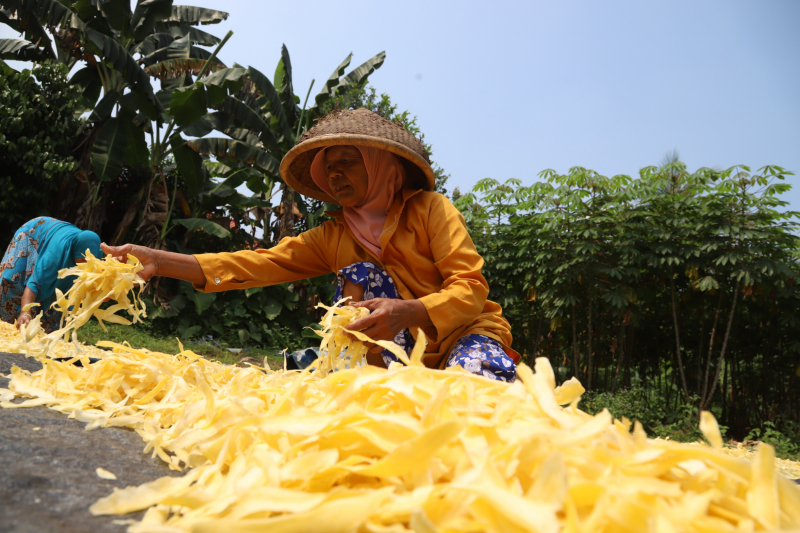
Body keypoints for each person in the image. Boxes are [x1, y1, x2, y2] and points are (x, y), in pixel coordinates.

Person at [103, 108, 519, 381]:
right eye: (329, 168)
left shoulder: (431, 210)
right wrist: (157, 259)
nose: (335, 176)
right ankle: (361, 379)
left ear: (381, 166)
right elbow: (255, 263)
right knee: (362, 276)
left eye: (347, 162)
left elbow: (470, 287)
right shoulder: (333, 235)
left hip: (464, 337)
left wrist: (411, 310)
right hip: (392, 361)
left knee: (480, 395)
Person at [1, 217, 103, 332]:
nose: (86, 264)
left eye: (89, 260)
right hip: (35, 233)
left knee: (62, 303)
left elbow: (98, 291)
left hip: (59, 236)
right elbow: (33, 285)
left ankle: (47, 332)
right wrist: (25, 312)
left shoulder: (96, 259)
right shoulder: (53, 258)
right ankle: (8, 325)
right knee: (11, 280)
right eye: (83, 259)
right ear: (74, 250)